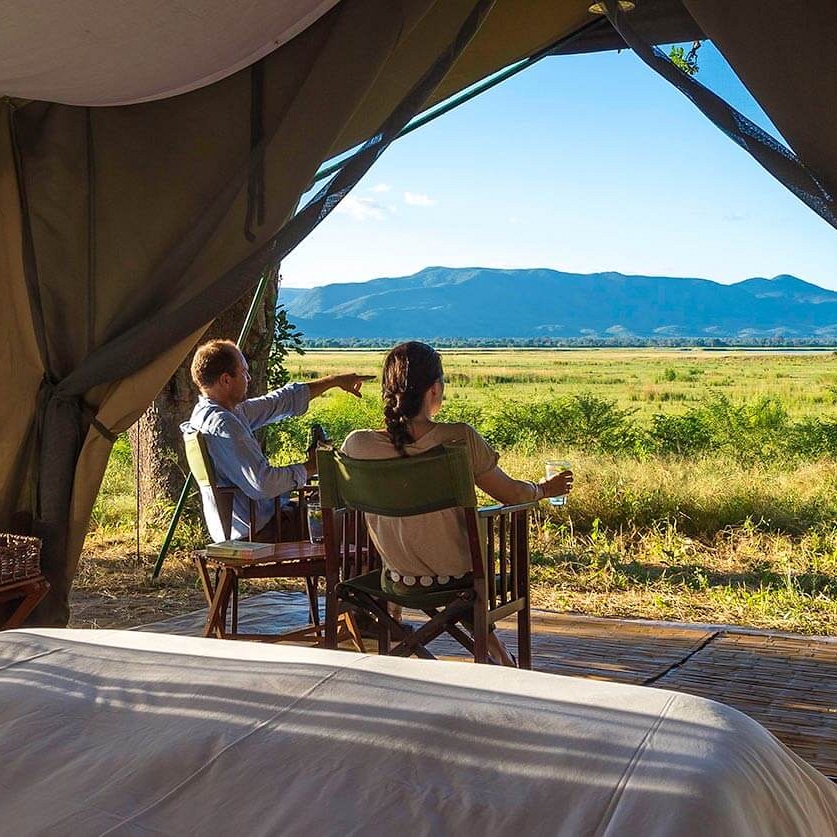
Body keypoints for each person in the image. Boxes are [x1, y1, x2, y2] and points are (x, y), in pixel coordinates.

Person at [342, 341, 573, 666]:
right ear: (434, 389)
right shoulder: (458, 438)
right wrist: (545, 489)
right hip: (458, 579)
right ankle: (501, 655)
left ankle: (493, 652)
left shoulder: (358, 445)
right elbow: (512, 495)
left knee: (457, 582)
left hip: (396, 578)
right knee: (467, 582)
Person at [181, 338, 372, 542]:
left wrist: (333, 381)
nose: (249, 378)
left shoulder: (211, 414)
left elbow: (279, 402)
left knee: (328, 507)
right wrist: (313, 466)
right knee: (357, 517)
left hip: (251, 521)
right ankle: (361, 573)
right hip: (260, 528)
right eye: (244, 372)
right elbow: (263, 484)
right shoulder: (224, 425)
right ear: (226, 380)